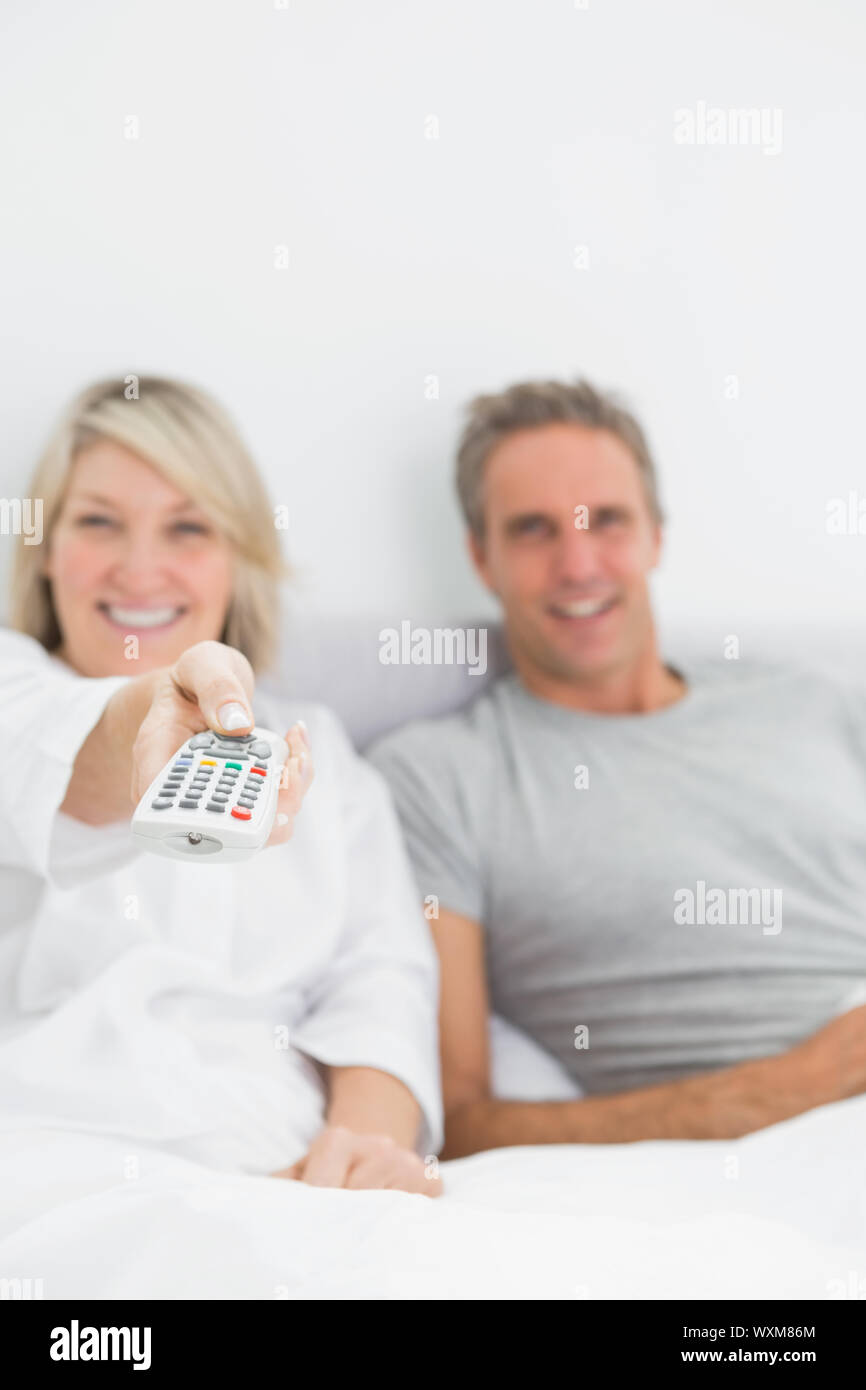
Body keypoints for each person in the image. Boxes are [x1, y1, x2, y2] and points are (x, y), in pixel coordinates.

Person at [369, 377, 866, 1157]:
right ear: (481, 557)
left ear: (656, 536)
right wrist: (784, 1089)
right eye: (535, 530)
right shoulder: (439, 780)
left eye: (606, 521)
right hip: (781, 1157)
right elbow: (455, 1120)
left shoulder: (820, 702)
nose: (579, 564)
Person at [0, 375, 442, 1194]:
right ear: (46, 551)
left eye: (188, 528)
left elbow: (380, 989)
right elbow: (56, 759)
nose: (141, 569)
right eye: (98, 521)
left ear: (239, 562)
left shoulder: (323, 754)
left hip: (281, 1165)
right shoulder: (11, 687)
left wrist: (360, 1156)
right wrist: (150, 716)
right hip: (49, 1153)